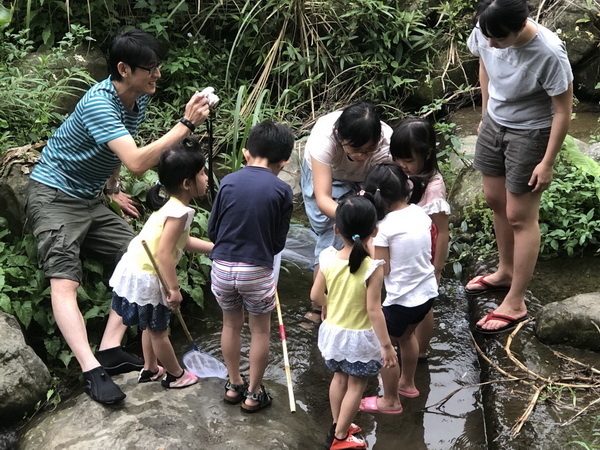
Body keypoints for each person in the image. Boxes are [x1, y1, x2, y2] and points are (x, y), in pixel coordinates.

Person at [24, 28, 211, 404]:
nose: (157, 74)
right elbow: (138, 162)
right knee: (65, 282)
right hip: (54, 194)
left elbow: (116, 151)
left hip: (92, 197)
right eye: (150, 68)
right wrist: (186, 124)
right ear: (123, 69)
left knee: (138, 256)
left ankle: (110, 346)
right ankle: (90, 367)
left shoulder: (137, 99)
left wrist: (111, 189)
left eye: (158, 66)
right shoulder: (99, 102)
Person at [465, 0, 573, 334]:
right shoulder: (488, 28)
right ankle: (505, 271)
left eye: (498, 38)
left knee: (520, 216)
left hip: (532, 131)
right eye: (486, 34)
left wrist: (547, 162)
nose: (491, 42)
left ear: (519, 26)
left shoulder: (549, 52)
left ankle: (516, 301)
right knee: (495, 199)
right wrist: (485, 112)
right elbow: (484, 61)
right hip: (496, 121)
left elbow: (563, 110)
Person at [109, 137, 213, 390]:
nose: (207, 177)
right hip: (149, 274)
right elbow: (165, 254)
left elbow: (183, 243)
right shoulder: (179, 213)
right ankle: (176, 375)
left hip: (136, 267)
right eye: (202, 173)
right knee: (159, 330)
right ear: (187, 183)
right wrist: (174, 289)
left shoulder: (172, 206)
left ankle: (150, 367)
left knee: (149, 324)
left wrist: (214, 249)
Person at [208, 120, 295, 413]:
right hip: (255, 270)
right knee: (259, 331)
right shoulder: (282, 190)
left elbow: (212, 231)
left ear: (247, 154)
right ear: (283, 162)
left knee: (230, 324)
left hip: (222, 267)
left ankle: (234, 384)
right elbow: (277, 243)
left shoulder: (228, 181)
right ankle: (254, 393)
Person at [310, 196, 398, 450]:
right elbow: (374, 310)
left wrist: (330, 303)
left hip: (333, 334)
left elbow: (315, 296)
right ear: (375, 230)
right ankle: (340, 437)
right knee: (357, 385)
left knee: (338, 378)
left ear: (337, 229)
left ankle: (339, 423)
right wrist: (386, 346)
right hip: (359, 337)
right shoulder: (372, 267)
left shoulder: (327, 257)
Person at [359, 164, 438, 413]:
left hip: (402, 301)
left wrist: (368, 242)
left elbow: (384, 269)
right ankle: (408, 384)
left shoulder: (384, 229)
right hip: (426, 294)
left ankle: (390, 400)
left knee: (380, 345)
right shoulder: (419, 212)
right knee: (406, 337)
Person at [301, 102, 393, 271]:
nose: (361, 155)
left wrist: (364, 221)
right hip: (328, 172)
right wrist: (352, 220)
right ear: (339, 136)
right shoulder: (324, 139)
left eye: (369, 149)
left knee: (346, 228)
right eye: (356, 148)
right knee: (327, 225)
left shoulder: (386, 145)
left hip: (365, 177)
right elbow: (323, 199)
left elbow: (384, 195)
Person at [390, 117, 450, 359]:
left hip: (425, 253)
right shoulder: (404, 174)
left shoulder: (433, 188)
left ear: (426, 154)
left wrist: (437, 269)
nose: (401, 164)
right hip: (406, 249)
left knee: (424, 305)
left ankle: (421, 349)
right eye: (397, 158)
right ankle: (404, 341)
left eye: (407, 160)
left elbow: (443, 231)